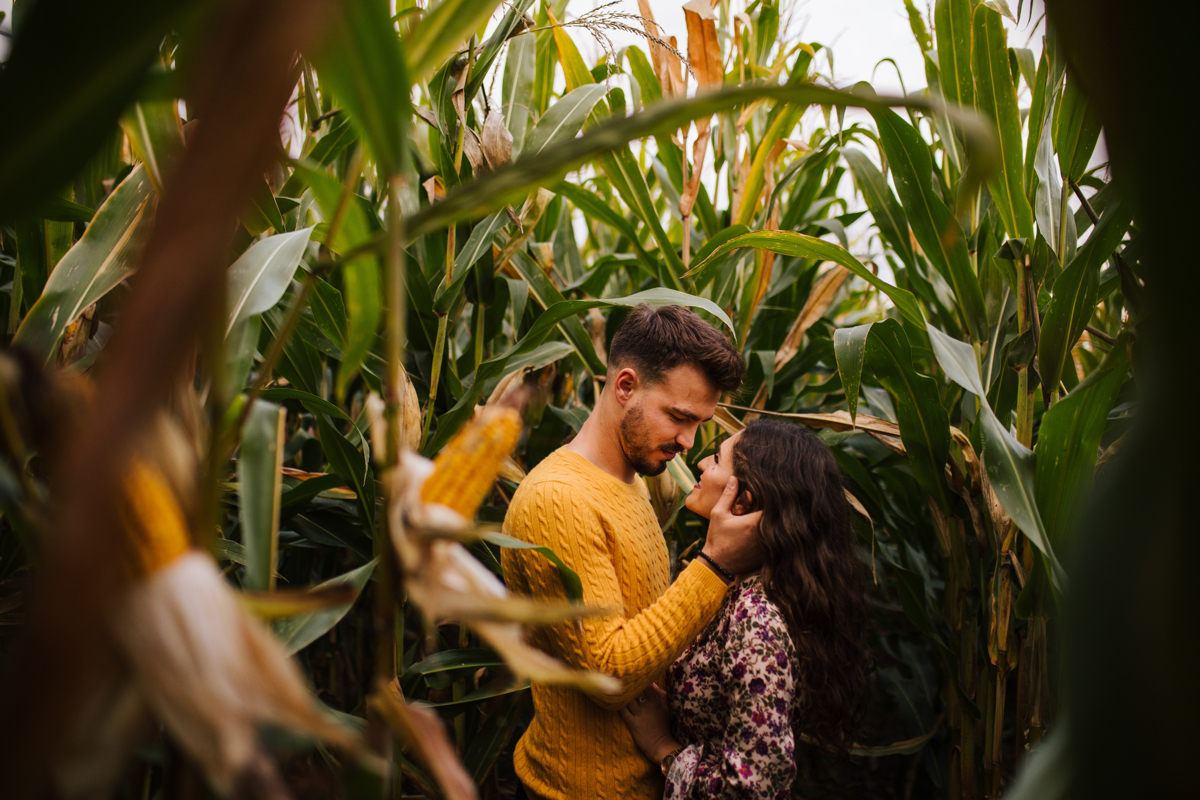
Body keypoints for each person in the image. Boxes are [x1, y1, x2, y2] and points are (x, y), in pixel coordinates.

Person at [501, 305, 761, 800]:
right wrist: (715, 566)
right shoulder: (559, 499)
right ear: (625, 386)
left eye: (699, 423)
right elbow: (609, 675)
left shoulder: (631, 482)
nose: (688, 441)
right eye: (679, 417)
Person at [618, 420, 871, 799]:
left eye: (717, 460)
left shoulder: (757, 621)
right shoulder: (740, 586)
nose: (701, 463)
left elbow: (751, 789)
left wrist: (663, 749)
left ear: (743, 502)